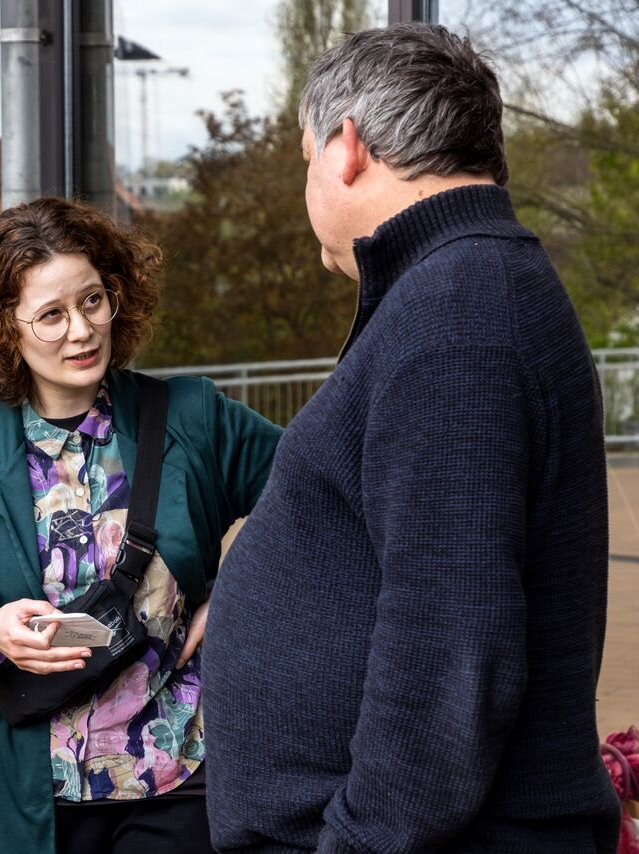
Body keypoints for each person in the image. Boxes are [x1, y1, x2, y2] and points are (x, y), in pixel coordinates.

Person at [202, 23, 620, 853]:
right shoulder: (462, 288)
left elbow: (451, 649)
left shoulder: (458, 317)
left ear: (348, 146)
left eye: (305, 156)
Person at [0, 196, 281, 854]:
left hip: (181, 774)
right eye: (51, 314)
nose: (82, 330)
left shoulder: (194, 417)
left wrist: (235, 593)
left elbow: (320, 494)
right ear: (3, 328)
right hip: (30, 796)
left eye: (93, 300)